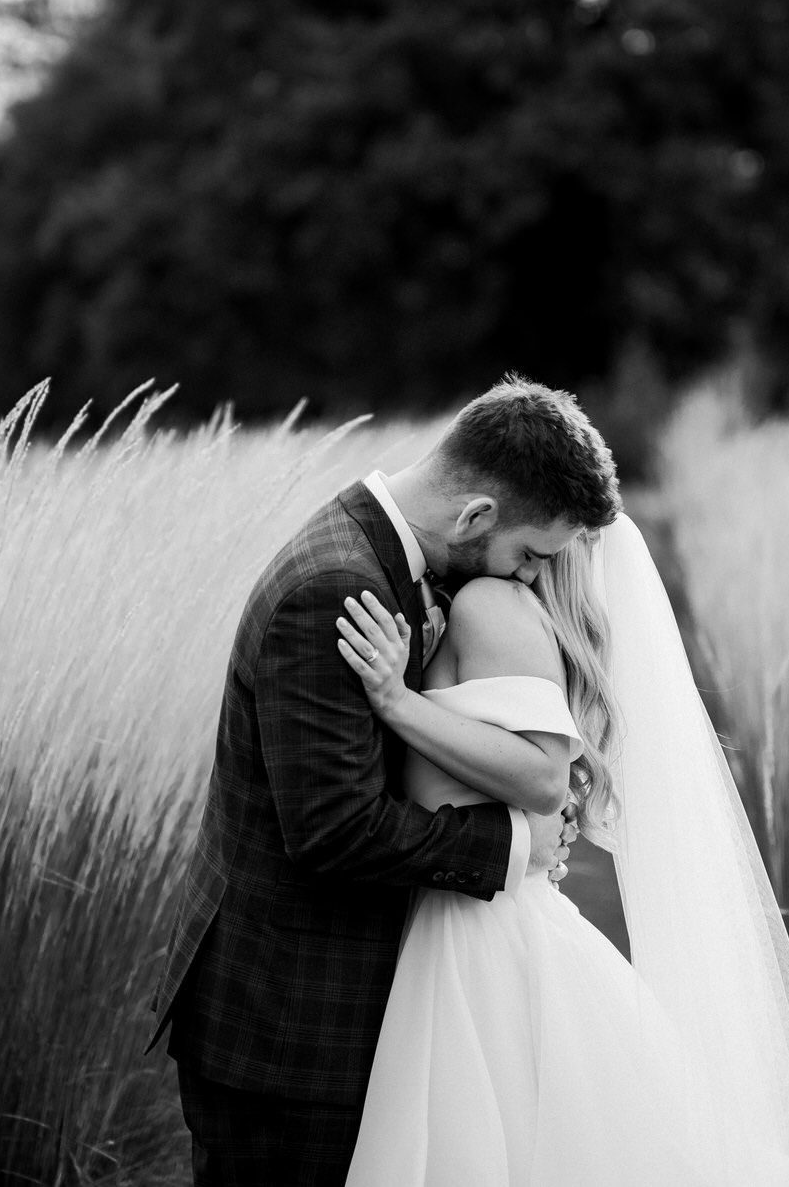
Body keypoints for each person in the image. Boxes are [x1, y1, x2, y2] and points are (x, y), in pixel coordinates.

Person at [149, 376, 618, 1186]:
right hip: (290, 1034)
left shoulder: (387, 563)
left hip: (327, 1020)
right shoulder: (335, 589)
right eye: (532, 553)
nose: (535, 577)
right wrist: (513, 841)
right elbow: (335, 829)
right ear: (475, 516)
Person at [332, 507, 789, 1186]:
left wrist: (395, 699)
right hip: (499, 919)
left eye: (534, 546)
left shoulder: (491, 608)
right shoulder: (530, 632)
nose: (516, 557)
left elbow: (540, 784)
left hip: (475, 936)